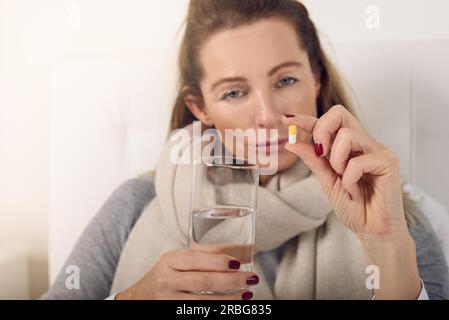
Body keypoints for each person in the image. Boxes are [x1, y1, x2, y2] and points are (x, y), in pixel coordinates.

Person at [41, 0, 449, 300]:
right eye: (235, 92)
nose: (267, 116)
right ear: (201, 108)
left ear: (317, 80)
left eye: (286, 81)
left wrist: (387, 244)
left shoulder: (393, 205)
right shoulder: (135, 204)